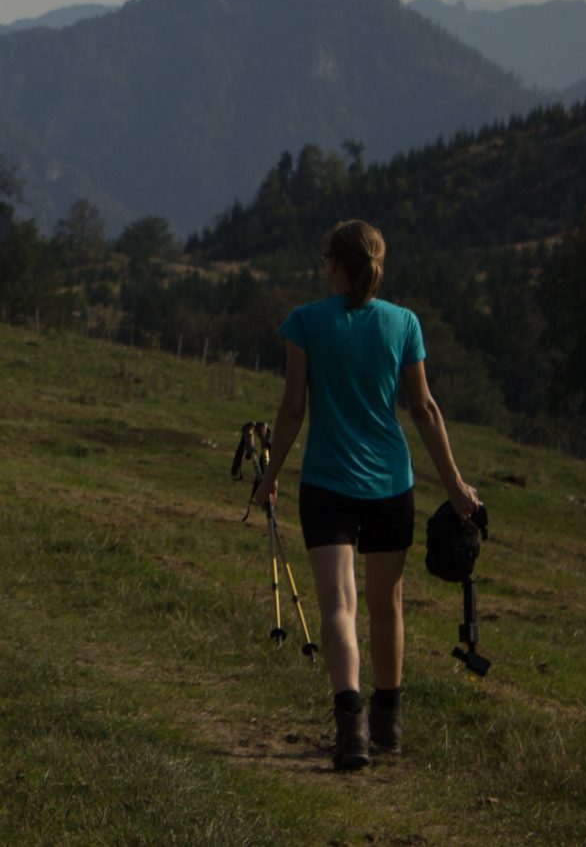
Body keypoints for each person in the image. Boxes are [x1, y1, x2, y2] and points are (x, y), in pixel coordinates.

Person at [250, 219, 481, 771]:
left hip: (327, 483)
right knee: (386, 607)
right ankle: (389, 724)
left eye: (325, 255)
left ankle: (350, 730)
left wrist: (270, 474)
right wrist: (454, 486)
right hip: (390, 485)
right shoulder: (403, 323)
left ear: (335, 262)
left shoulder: (305, 322)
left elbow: (291, 410)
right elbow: (424, 410)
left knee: (338, 606)